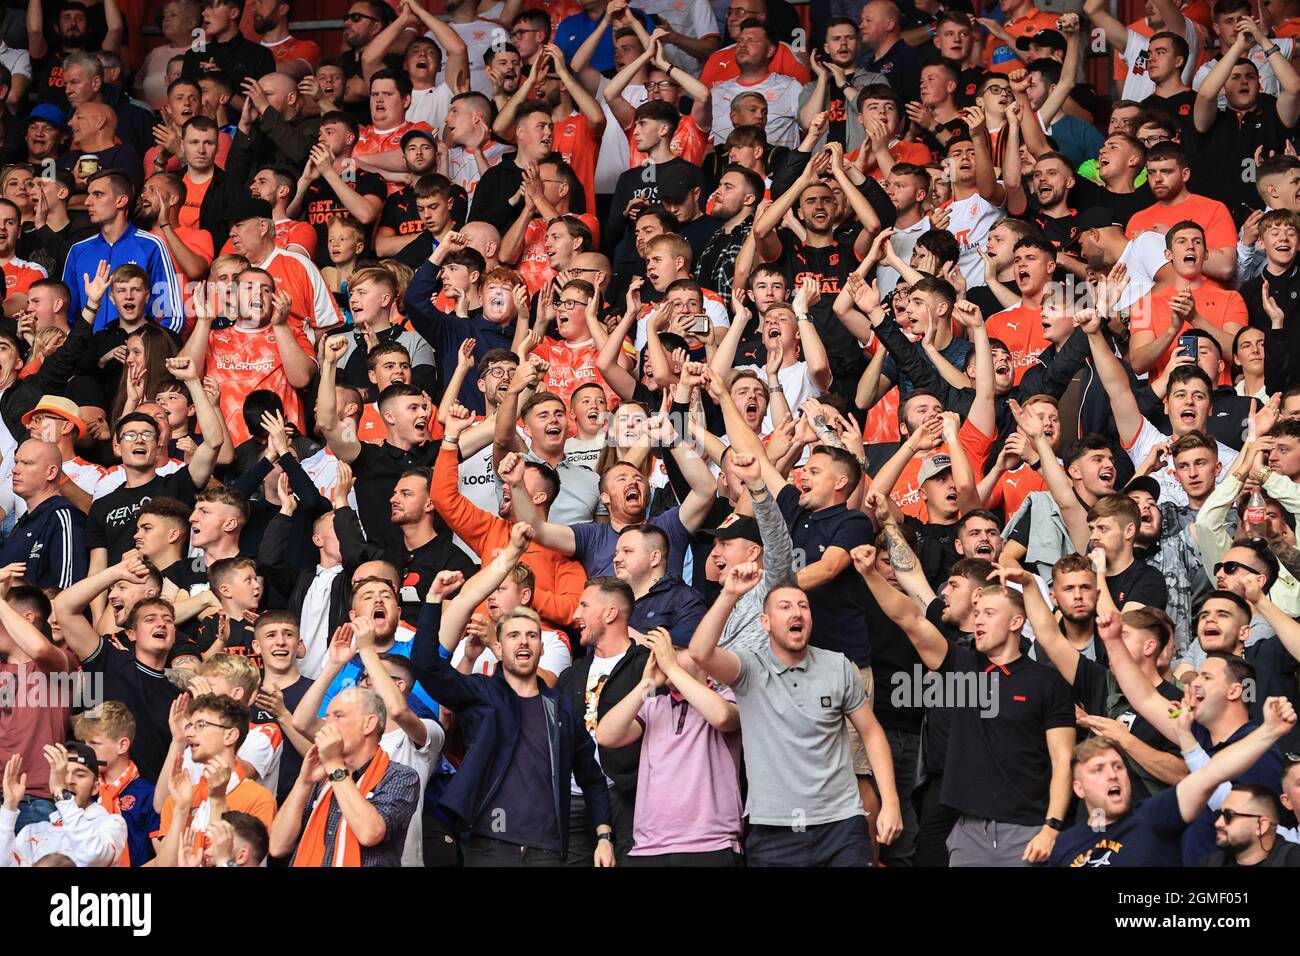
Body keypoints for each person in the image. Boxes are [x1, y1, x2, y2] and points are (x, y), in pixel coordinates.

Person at [689, 565, 902, 866]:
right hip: (773, 829)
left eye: (803, 606)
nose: (797, 613)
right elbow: (700, 653)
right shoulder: (749, 667)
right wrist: (730, 594)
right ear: (765, 621)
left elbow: (871, 733)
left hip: (841, 823)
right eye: (785, 606)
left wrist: (891, 802)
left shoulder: (838, 665)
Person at [409, 571, 616, 867]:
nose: (524, 642)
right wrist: (433, 600)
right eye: (513, 635)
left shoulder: (562, 708)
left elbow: (592, 779)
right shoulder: (480, 693)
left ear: (541, 649)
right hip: (488, 846)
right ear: (500, 647)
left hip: (547, 851)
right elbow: (426, 666)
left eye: (532, 635)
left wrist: (604, 837)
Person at [0, 743, 128, 867]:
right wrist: (9, 807)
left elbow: (93, 855)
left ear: (95, 788)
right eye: (61, 775)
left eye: (80, 775)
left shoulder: (112, 823)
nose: (68, 781)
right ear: (51, 785)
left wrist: (62, 795)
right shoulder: (31, 831)